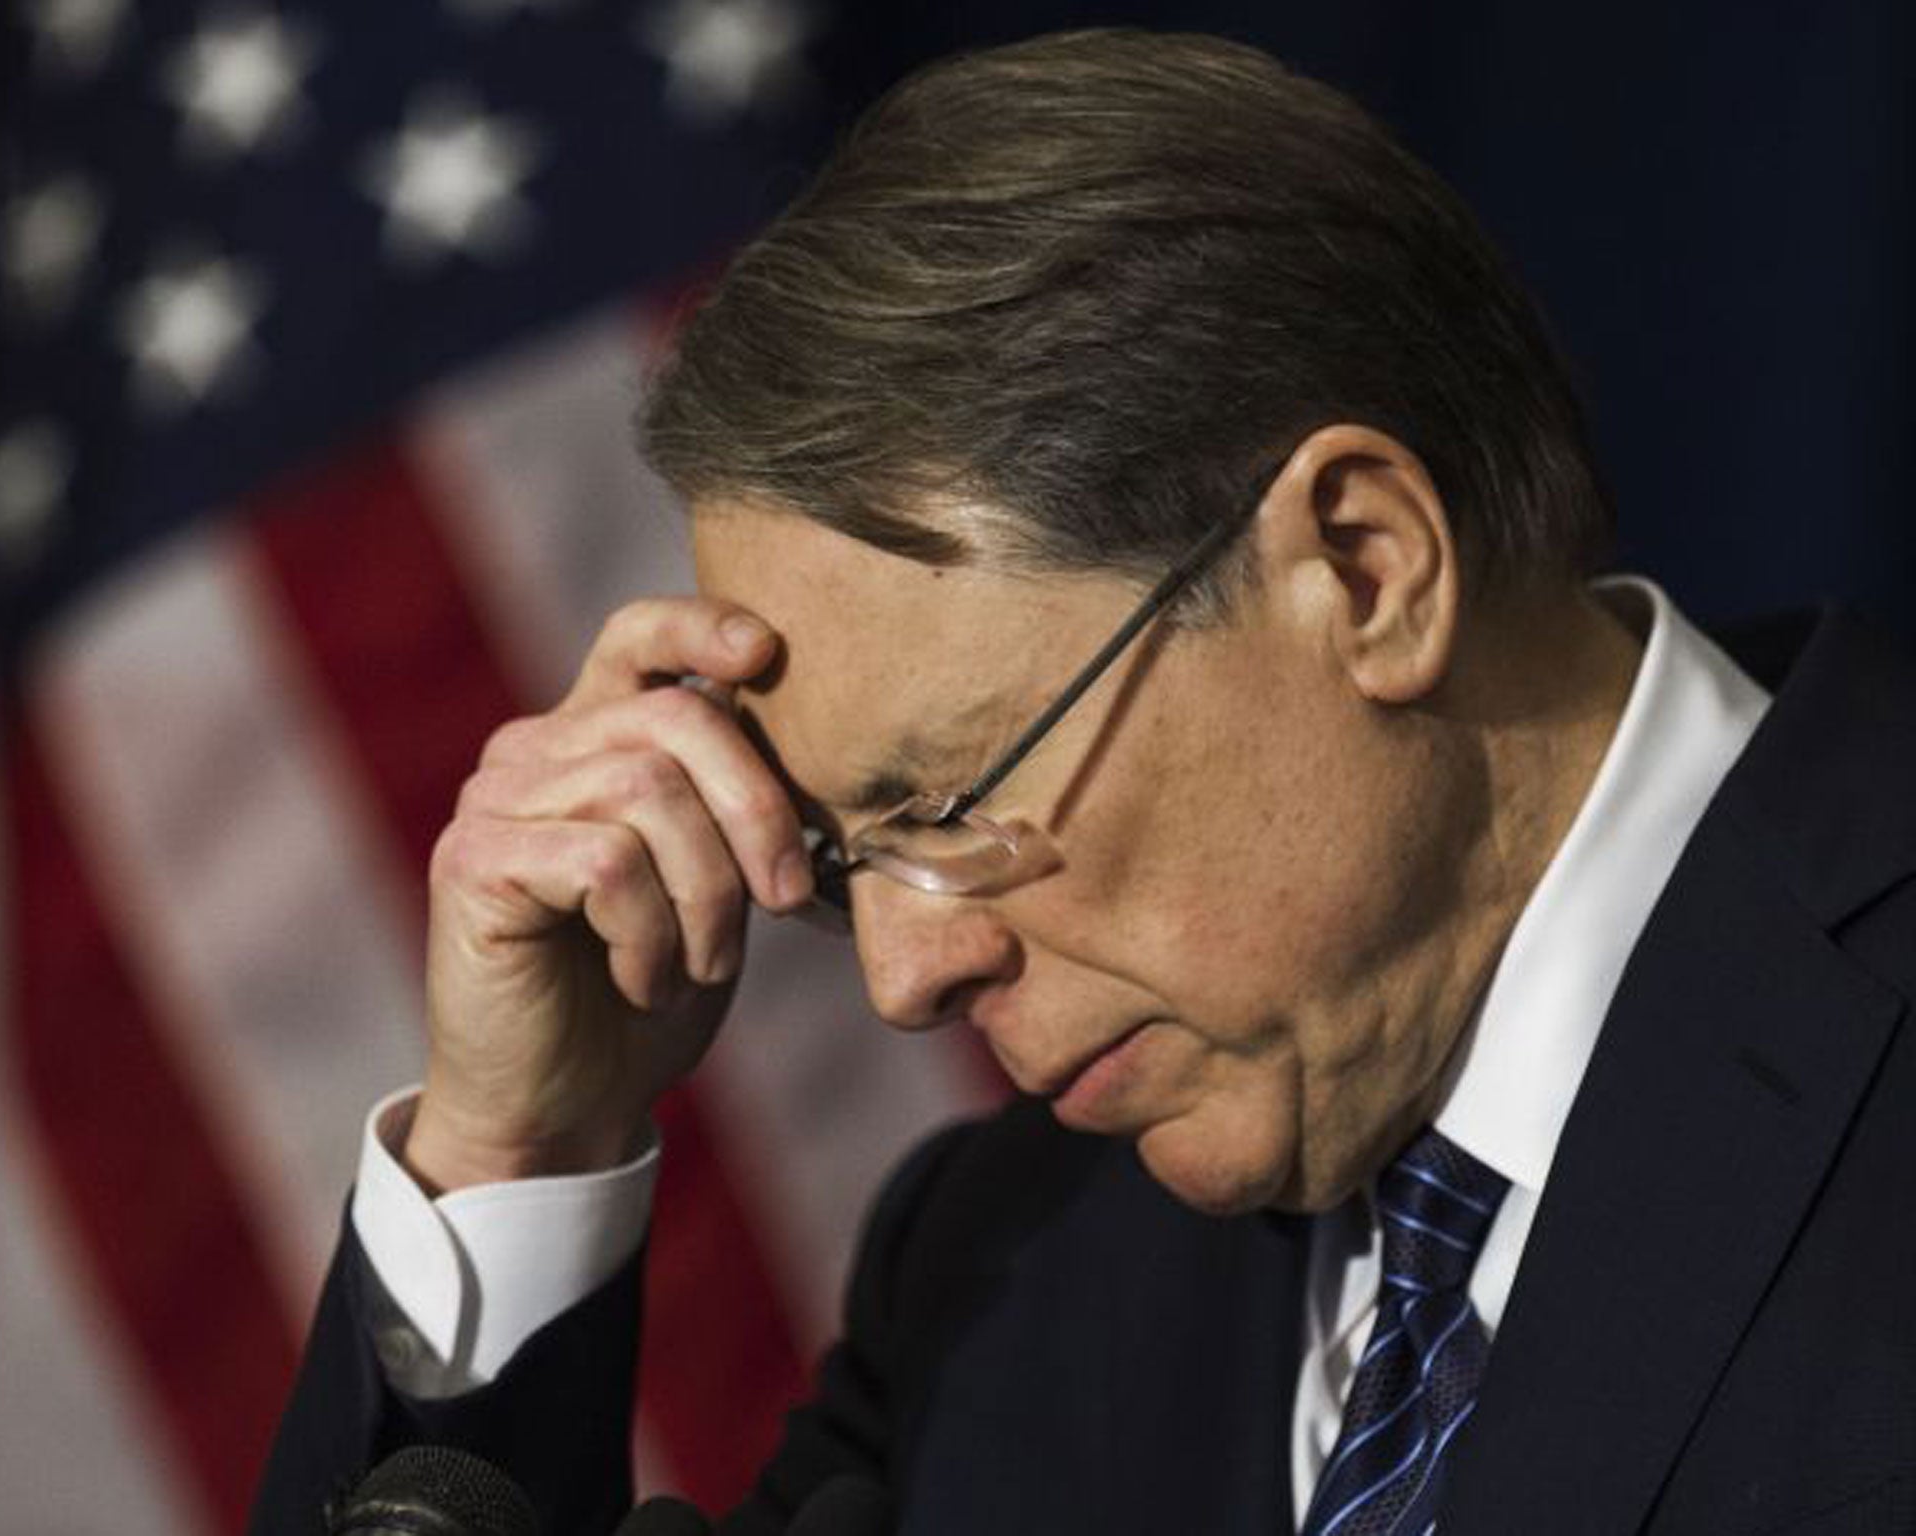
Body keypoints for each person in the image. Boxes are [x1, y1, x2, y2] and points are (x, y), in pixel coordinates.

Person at [253, 29, 1916, 1535]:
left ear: (1366, 566)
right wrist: (522, 1145)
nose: (903, 978)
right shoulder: (997, 1269)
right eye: (838, 855)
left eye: (947, 805)